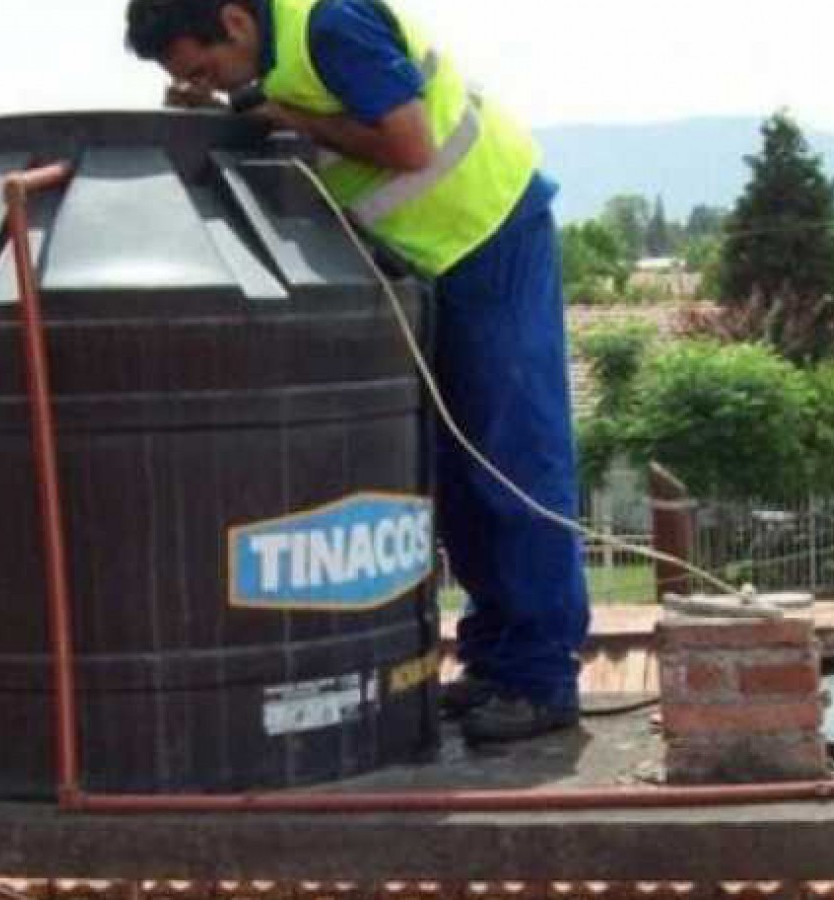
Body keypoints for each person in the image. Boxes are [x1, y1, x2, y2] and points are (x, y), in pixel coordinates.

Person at [125, 0, 590, 744]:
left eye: (205, 67)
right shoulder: (269, 62)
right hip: (430, 257)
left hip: (490, 233)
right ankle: (496, 661)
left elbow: (408, 144)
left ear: (235, 21)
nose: (209, 82)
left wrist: (275, 113)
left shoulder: (331, 22)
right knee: (457, 470)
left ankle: (542, 679)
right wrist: (232, 107)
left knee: (512, 462)